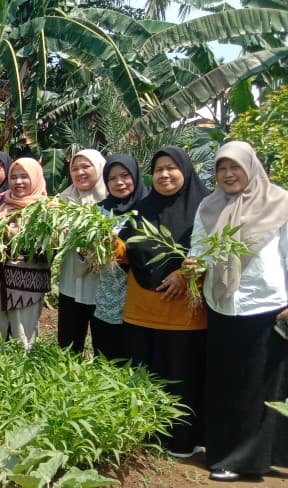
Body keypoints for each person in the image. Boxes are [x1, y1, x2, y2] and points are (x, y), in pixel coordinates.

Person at [192, 141, 288, 482]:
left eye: (235, 167)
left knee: (262, 386)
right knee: (226, 383)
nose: (228, 174)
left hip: (267, 305)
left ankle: (256, 458)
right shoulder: (209, 205)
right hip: (222, 305)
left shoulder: (279, 202)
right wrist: (191, 264)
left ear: (251, 167)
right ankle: (226, 454)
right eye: (222, 168)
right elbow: (198, 248)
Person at [117, 146, 209, 457]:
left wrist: (185, 274)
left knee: (181, 375)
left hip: (183, 312)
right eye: (158, 170)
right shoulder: (142, 209)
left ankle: (181, 441)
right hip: (141, 309)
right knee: (144, 374)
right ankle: (146, 436)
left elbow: (212, 251)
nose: (164, 175)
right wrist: (105, 246)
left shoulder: (206, 208)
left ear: (186, 170)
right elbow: (125, 249)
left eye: (171, 168)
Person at [0, 157, 49, 349]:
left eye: (24, 177)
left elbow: (49, 246)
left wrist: (14, 234)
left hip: (27, 286)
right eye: (14, 177)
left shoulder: (47, 208)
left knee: (23, 340)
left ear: (35, 178)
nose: (18, 182)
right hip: (0, 282)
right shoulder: (2, 203)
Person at [91, 153, 148, 360]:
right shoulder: (99, 210)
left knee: (133, 356)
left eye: (125, 175)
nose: (119, 182)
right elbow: (87, 251)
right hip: (106, 294)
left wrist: (123, 251)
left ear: (135, 175)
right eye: (112, 178)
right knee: (105, 355)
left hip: (137, 294)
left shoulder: (148, 209)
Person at [56, 149, 107, 354]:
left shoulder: (113, 201)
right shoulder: (64, 199)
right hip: (70, 282)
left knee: (104, 347)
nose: (79, 172)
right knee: (68, 345)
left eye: (86, 167)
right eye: (75, 168)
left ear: (100, 168)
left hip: (102, 285)